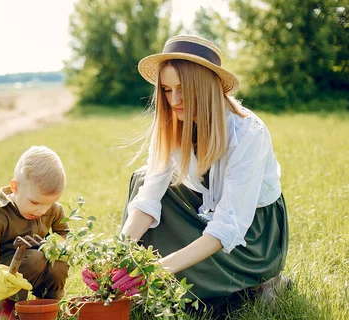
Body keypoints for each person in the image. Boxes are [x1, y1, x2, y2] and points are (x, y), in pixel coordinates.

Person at [116, 34, 290, 302]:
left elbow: (227, 226)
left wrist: (158, 270)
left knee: (194, 290)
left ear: (205, 86)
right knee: (142, 179)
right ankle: (144, 281)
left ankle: (263, 281)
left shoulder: (248, 133)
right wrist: (117, 256)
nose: (174, 100)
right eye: (166, 89)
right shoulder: (173, 123)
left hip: (252, 236)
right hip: (205, 209)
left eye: (183, 88)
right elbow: (148, 197)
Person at [0, 146, 69, 320]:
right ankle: (8, 304)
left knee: (59, 262)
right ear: (15, 187)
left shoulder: (52, 209)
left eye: (49, 203)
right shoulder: (0, 213)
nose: (42, 210)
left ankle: (49, 301)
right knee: (33, 259)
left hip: (40, 262)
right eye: (35, 202)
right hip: (9, 269)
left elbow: (64, 233)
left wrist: (60, 245)